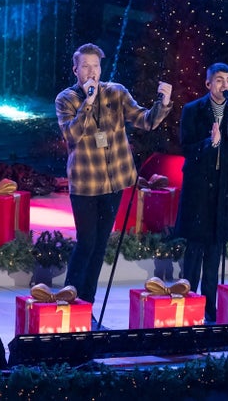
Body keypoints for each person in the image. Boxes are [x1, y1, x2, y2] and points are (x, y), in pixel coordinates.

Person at [55, 43, 173, 321]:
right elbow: (72, 135)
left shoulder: (117, 92)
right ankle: (70, 304)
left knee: (100, 246)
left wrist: (163, 103)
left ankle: (88, 305)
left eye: (95, 66)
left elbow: (145, 121)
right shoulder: (66, 99)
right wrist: (89, 102)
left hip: (114, 183)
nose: (91, 71)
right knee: (86, 243)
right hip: (85, 184)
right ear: (75, 69)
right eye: (85, 66)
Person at [174, 62, 228, 323]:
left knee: (214, 253)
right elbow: (186, 147)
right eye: (219, 80)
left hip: (223, 190)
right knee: (194, 251)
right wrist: (209, 144)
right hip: (198, 190)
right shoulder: (193, 110)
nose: (225, 85)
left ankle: (211, 311)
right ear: (208, 84)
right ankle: (188, 304)